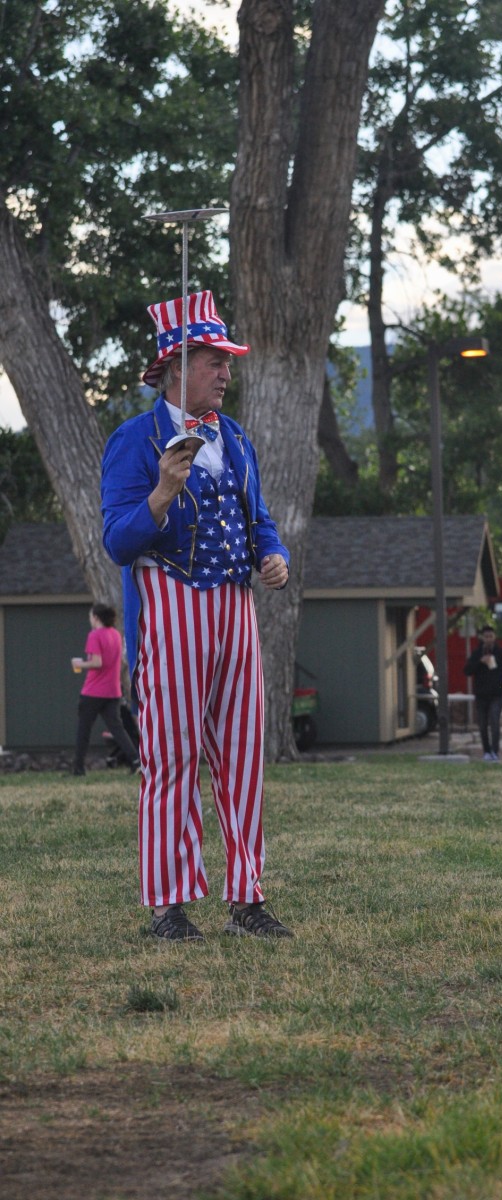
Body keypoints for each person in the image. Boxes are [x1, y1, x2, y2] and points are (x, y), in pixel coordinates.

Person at [101, 289, 293, 943]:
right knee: (172, 756)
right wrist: (161, 493)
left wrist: (273, 556)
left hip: (235, 609)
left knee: (242, 756)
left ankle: (247, 899)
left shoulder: (233, 438)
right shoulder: (135, 440)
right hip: (170, 606)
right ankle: (170, 906)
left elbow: (258, 520)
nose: (226, 371)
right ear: (177, 364)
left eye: (227, 361)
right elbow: (119, 542)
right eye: (216, 359)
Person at [69, 603, 140, 776]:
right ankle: (136, 761)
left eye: (91, 617)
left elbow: (97, 662)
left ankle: (78, 768)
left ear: (96, 617)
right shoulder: (115, 634)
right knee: (118, 729)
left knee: (83, 730)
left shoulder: (95, 635)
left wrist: (79, 664)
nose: (90, 620)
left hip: (93, 691)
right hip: (113, 690)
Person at [464, 625, 502, 761]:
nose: (489, 639)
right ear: (482, 638)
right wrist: (480, 662)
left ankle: (495, 750)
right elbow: (467, 671)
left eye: (491, 636)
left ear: (494, 637)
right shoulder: (477, 653)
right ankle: (486, 751)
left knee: (495, 722)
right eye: (486, 637)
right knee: (482, 724)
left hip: (496, 695)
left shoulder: (501, 653)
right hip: (481, 695)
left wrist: (501, 686)